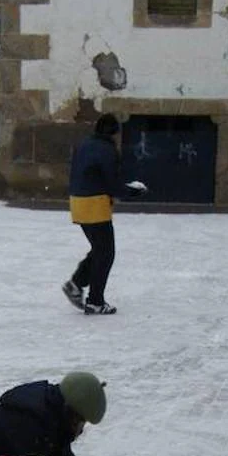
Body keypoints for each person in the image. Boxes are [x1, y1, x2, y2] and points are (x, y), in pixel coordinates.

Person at [62, 113, 146, 316]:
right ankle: (95, 301)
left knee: (100, 249)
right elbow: (112, 183)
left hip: (78, 201)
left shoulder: (84, 144)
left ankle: (76, 283)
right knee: (106, 253)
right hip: (95, 203)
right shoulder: (107, 150)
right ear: (114, 132)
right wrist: (132, 191)